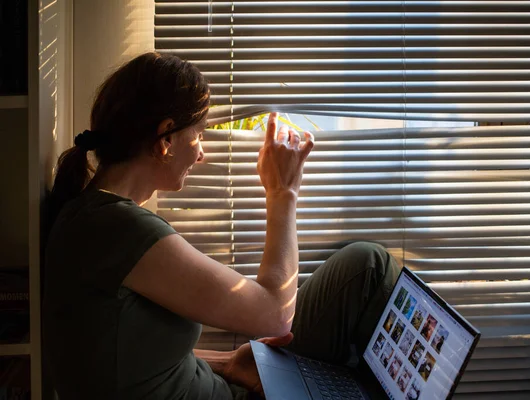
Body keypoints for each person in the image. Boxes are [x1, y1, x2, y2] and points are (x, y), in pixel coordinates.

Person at [42, 52, 400, 399]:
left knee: (363, 266)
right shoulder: (118, 229)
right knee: (372, 268)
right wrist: (282, 192)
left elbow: (129, 356)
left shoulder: (94, 218)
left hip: (221, 383)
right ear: (166, 139)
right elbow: (275, 317)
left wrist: (226, 362)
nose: (201, 153)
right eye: (198, 134)